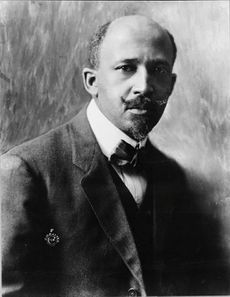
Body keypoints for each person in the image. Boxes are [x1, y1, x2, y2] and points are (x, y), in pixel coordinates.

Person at [1, 15, 229, 297]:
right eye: (126, 68)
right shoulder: (25, 171)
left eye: (158, 69)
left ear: (170, 85)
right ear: (92, 81)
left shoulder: (172, 175)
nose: (144, 86)